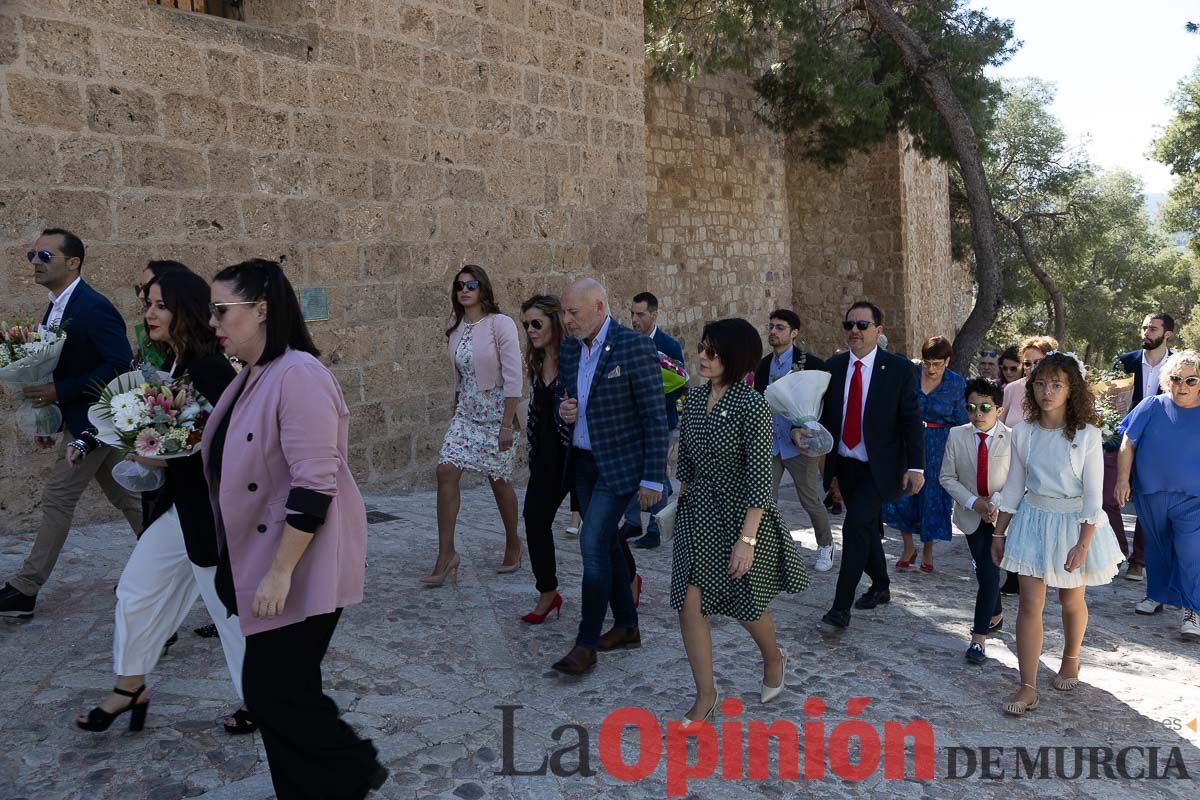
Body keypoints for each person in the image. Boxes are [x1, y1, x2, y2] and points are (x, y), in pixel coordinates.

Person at [201, 259, 385, 798]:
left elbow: (315, 483)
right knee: (287, 688)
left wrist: (280, 571)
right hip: (263, 556)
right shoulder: (256, 374)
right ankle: (315, 785)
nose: (214, 322)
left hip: (302, 559)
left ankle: (353, 766)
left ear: (261, 311)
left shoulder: (299, 374)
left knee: (272, 688)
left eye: (221, 310)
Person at [74, 270, 251, 735]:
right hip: (180, 510)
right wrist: (154, 453)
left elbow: (236, 442)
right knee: (136, 591)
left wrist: (165, 456)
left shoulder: (210, 367)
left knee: (228, 613)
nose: (148, 313)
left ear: (184, 310)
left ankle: (262, 700)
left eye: (159, 305)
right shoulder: (173, 365)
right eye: (147, 303)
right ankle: (130, 688)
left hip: (213, 516)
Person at [0, 229, 142, 619]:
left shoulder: (93, 306)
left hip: (95, 424)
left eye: (44, 256)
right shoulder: (57, 305)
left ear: (73, 262)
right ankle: (169, 562)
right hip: (81, 419)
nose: (34, 262)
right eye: (32, 254)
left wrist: (59, 392)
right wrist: (52, 417)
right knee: (126, 496)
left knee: (59, 497)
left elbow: (118, 364)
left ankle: (25, 588)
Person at [673, 319, 809, 722]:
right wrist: (678, 508)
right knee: (689, 605)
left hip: (738, 518)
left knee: (744, 603)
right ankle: (706, 694)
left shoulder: (752, 406)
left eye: (712, 352)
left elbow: (759, 480)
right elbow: (686, 466)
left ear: (734, 358)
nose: (702, 356)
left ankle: (773, 658)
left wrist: (746, 541)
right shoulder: (694, 400)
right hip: (696, 515)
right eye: (702, 348)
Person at [991, 353, 1124, 716]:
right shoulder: (1023, 433)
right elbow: (1015, 486)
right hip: (1034, 520)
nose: (1046, 391)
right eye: (1040, 383)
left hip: (1073, 523)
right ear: (1030, 388)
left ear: (1071, 389)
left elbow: (1094, 495)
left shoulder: (1088, 435)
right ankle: (1027, 686)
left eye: (1056, 384)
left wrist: (1084, 543)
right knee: (1030, 604)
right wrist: (999, 533)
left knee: (1069, 601)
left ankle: (1071, 657)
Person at [551, 279, 668, 675]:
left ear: (600, 307)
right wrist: (563, 410)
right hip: (583, 463)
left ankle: (586, 644)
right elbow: (564, 396)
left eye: (573, 313)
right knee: (609, 543)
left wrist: (653, 479)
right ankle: (627, 626)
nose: (566, 321)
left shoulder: (634, 346)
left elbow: (655, 416)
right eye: (564, 313)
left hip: (620, 467)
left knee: (592, 541)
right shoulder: (569, 348)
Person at [795, 301, 924, 630]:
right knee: (864, 528)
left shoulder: (898, 370)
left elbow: (911, 420)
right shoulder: (834, 367)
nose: (854, 330)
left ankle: (840, 608)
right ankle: (881, 585)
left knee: (854, 529)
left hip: (882, 468)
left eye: (862, 325)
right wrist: (802, 430)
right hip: (847, 465)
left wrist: (917, 467)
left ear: (878, 331)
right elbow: (823, 414)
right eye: (849, 324)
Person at [425, 265, 524, 586]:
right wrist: (456, 407)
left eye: (471, 284)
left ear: (483, 288)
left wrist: (507, 424)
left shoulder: (500, 324)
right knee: (446, 471)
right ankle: (446, 554)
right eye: (459, 286)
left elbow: (513, 376)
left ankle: (513, 541)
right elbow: (460, 376)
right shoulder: (454, 327)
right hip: (466, 415)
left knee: (499, 481)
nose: (464, 290)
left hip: (497, 415)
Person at [1113, 349, 1200, 641]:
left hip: (1193, 498)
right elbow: (1128, 442)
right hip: (1150, 493)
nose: (1182, 386)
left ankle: (1192, 609)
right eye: (1176, 379)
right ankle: (1156, 595)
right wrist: (1123, 480)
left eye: (1191, 380)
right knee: (1158, 548)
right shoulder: (1152, 405)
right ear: (1167, 379)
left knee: (1190, 552)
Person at [752, 309, 834, 571]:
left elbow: (825, 402)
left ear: (794, 333)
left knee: (809, 497)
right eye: (771, 326)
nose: (773, 332)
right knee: (765, 498)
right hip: (772, 443)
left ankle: (826, 545)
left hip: (801, 445)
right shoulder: (763, 364)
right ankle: (769, 548)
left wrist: (812, 428)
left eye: (780, 327)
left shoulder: (810, 362)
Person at [939, 378, 1011, 665]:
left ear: (999, 409)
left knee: (989, 571)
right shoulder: (957, 435)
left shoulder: (1014, 437)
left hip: (1001, 516)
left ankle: (978, 638)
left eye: (984, 407)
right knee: (987, 570)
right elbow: (947, 477)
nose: (978, 413)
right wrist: (974, 502)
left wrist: (997, 503)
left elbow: (1021, 479)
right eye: (971, 407)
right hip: (971, 514)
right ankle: (994, 616)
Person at [884, 336, 967, 572]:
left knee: (932, 499)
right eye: (927, 362)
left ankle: (928, 552)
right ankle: (908, 547)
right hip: (907, 443)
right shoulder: (909, 375)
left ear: (947, 362)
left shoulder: (956, 383)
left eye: (937, 364)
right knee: (902, 495)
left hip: (939, 447)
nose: (931, 369)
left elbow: (961, 422)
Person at [518, 295, 572, 624]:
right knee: (535, 520)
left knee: (600, 530)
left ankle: (628, 580)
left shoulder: (574, 359)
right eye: (526, 325)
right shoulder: (537, 362)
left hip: (576, 457)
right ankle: (548, 591)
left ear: (554, 322)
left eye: (536, 323)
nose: (531, 330)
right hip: (546, 459)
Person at [621, 291, 684, 549]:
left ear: (654, 315)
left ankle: (656, 529)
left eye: (640, 314)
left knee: (654, 474)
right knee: (627, 470)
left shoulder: (669, 345)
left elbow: (680, 383)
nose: (634, 319)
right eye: (632, 314)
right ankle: (632, 520)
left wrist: (653, 398)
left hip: (659, 421)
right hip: (629, 422)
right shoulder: (625, 341)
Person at [1115, 313, 1175, 583]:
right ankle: (1116, 550)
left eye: (1153, 328)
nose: (1146, 332)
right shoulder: (1125, 362)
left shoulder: (1177, 367)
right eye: (1144, 327)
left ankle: (1139, 561)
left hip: (1161, 441)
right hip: (1124, 438)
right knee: (1108, 496)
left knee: (1147, 501)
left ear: (1167, 334)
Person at [1000, 335, 1057, 427]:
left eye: (1038, 362)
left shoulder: (1059, 391)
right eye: (1027, 363)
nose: (1032, 368)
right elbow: (999, 427)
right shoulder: (1011, 389)